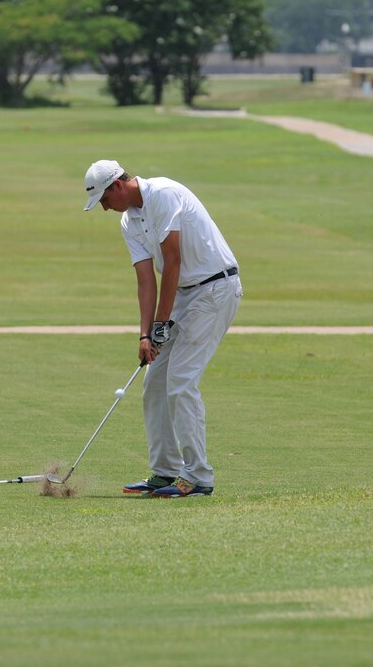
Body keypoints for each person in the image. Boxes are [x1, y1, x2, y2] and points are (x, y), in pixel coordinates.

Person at [83, 160, 242, 498]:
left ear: (116, 186)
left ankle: (199, 476)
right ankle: (166, 470)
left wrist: (161, 324)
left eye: (104, 199)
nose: (104, 207)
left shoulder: (164, 194)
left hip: (215, 288)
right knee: (154, 382)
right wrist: (146, 334)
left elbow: (173, 262)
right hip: (184, 294)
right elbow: (145, 280)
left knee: (181, 380)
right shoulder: (129, 221)